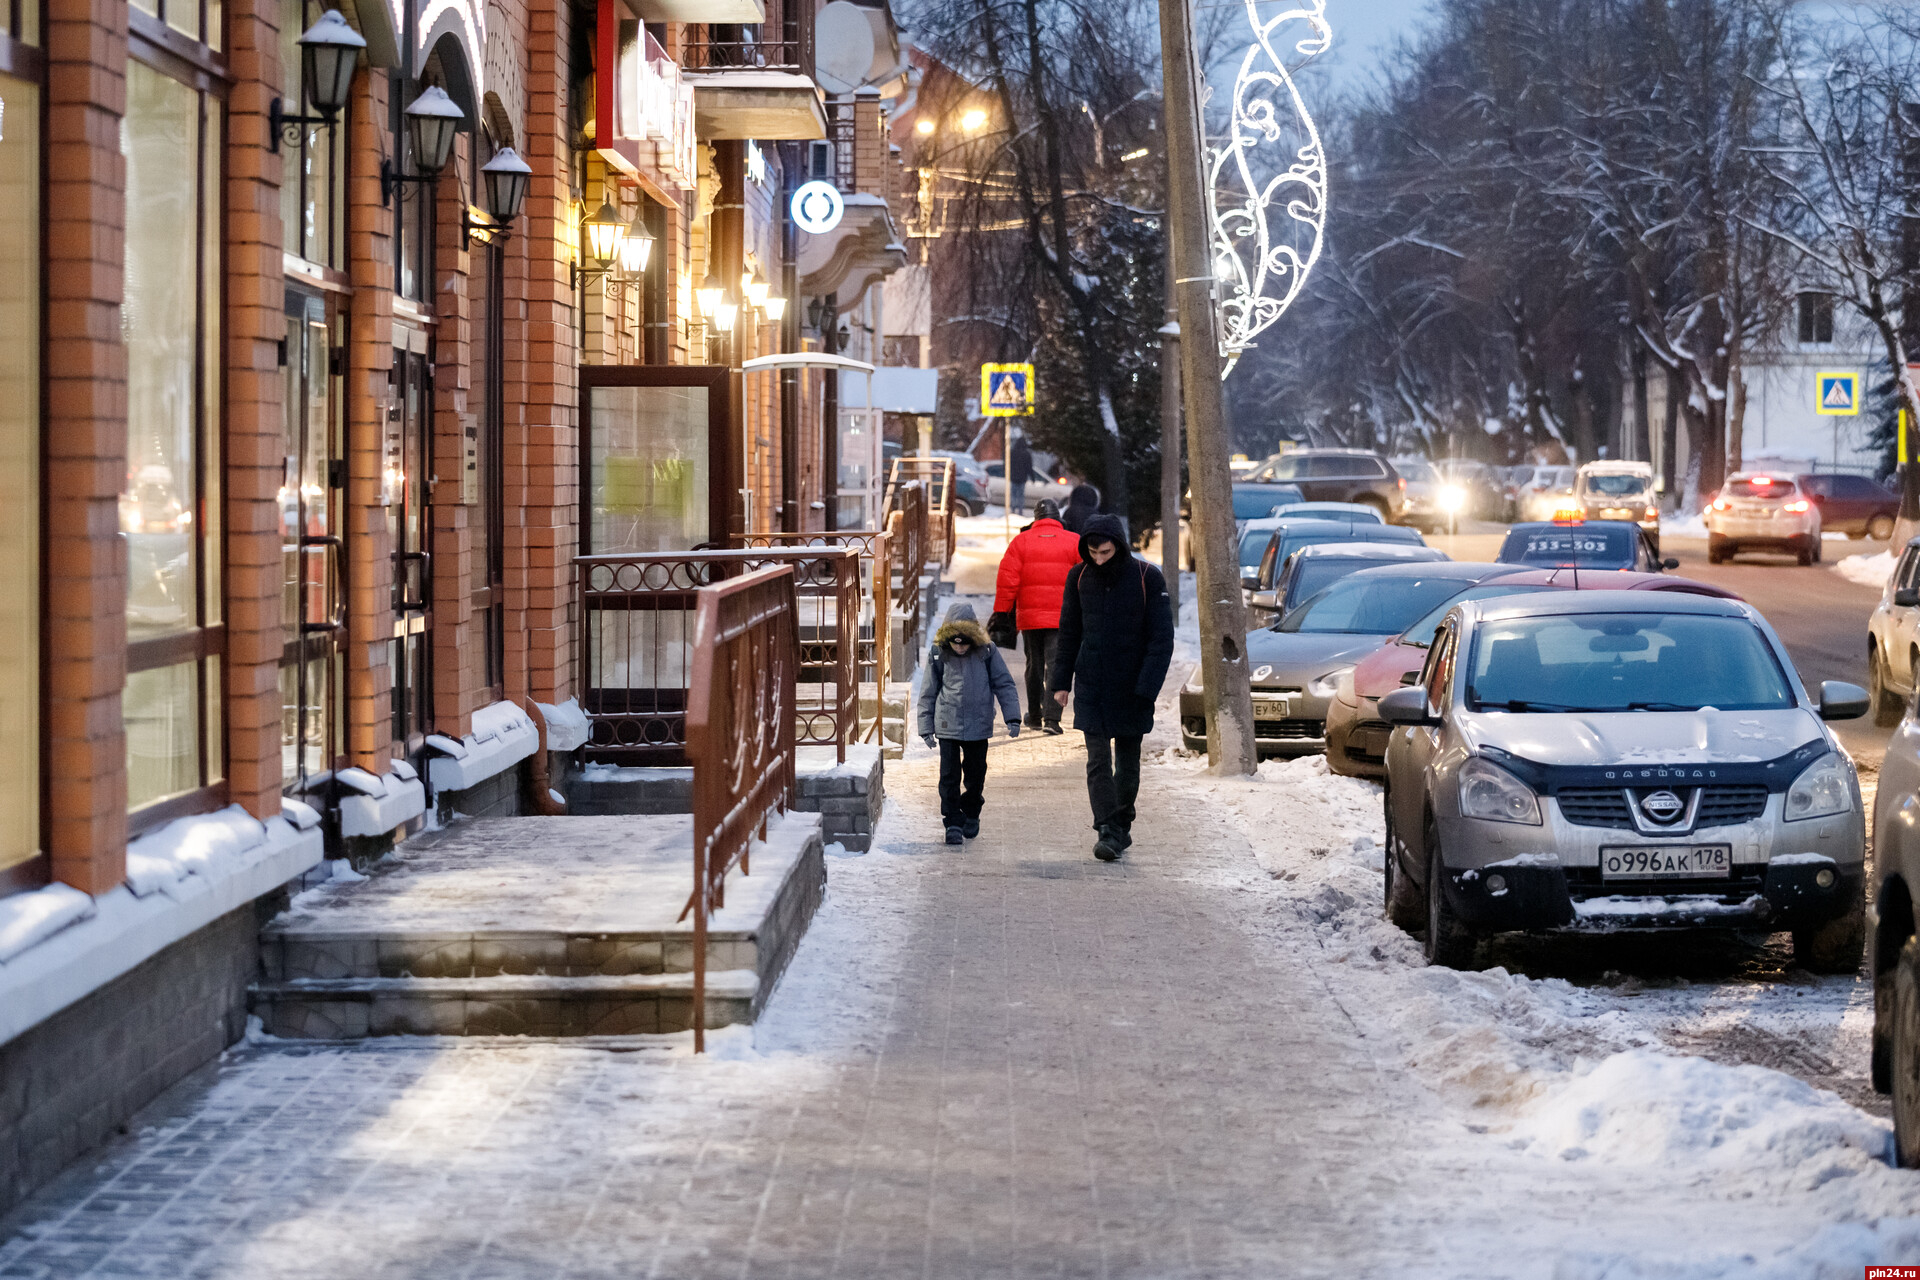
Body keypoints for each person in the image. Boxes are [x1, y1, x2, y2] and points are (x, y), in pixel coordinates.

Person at [1049, 514, 1174, 861]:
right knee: (1097, 761)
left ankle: (1121, 824)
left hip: (1133, 687)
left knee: (1127, 762)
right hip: (1091, 684)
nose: (1099, 559)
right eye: (1093, 552)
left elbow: (1161, 640)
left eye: (1105, 552)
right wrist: (1060, 683)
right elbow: (1069, 633)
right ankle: (1107, 828)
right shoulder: (1079, 577)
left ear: (1118, 545)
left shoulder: (1148, 577)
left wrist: (1147, 688)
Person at [918, 602, 1022, 844]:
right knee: (949, 777)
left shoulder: (987, 652)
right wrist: (926, 727)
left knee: (975, 775)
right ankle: (953, 821)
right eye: (956, 643)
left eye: (965, 642)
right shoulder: (938, 653)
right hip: (948, 724)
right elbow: (928, 691)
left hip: (979, 725)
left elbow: (1004, 684)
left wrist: (1013, 717)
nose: (960, 647)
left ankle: (972, 811)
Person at [990, 498, 1079, 735]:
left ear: (1036, 518)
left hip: (1029, 616)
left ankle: (1035, 715)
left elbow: (1007, 580)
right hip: (1062, 616)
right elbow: (1084, 578)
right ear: (1057, 517)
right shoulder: (1074, 541)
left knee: (1034, 664)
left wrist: (1001, 611)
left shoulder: (1021, 542)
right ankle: (1053, 719)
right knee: (1057, 665)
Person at [1008, 430, 1033, 515]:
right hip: (1022, 478)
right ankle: (1020, 511)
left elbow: (1008, 465)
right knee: (1021, 496)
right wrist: (1032, 478)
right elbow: (1029, 467)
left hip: (1013, 477)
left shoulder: (1012, 453)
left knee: (1013, 495)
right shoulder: (1026, 454)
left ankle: (1013, 510)